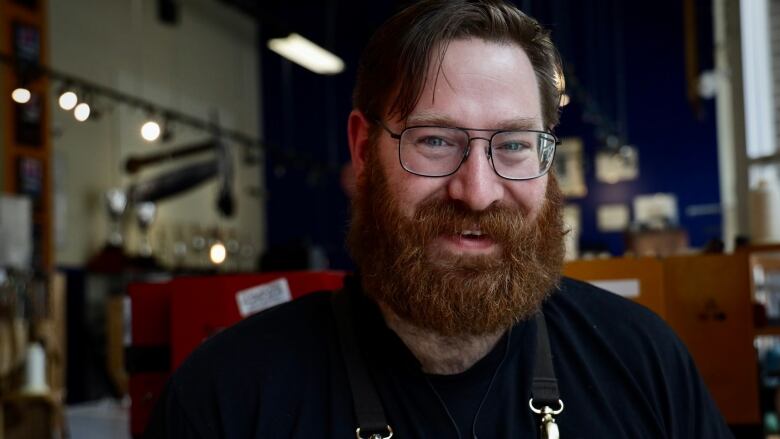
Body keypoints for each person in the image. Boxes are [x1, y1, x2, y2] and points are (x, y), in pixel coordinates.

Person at [144, 0, 734, 437]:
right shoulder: (228, 397)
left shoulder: (642, 361)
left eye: (513, 145)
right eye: (434, 140)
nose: (477, 192)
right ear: (361, 150)